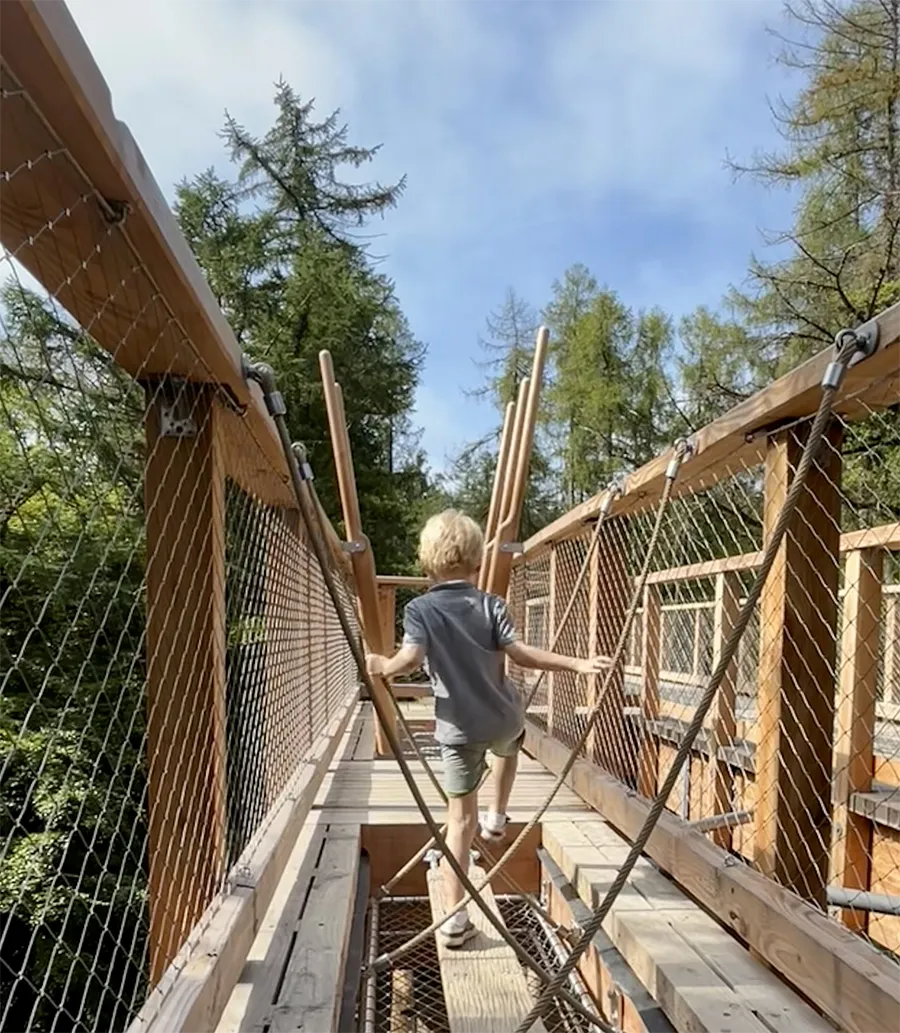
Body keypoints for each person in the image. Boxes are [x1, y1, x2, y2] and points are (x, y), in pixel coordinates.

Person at [365, 509, 606, 948]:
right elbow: (520, 654)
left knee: (459, 822)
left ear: (425, 560)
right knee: (510, 746)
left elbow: (411, 660)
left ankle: (455, 921)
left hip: (457, 730)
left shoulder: (420, 608)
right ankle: (499, 815)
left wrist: (382, 666)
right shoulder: (491, 604)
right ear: (477, 561)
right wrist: (574, 663)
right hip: (502, 718)